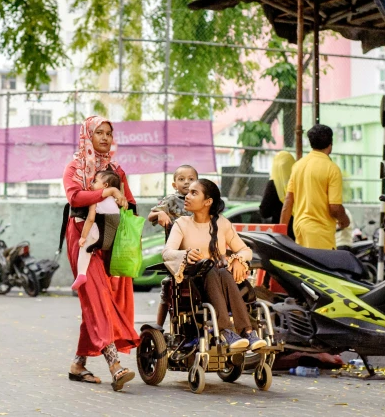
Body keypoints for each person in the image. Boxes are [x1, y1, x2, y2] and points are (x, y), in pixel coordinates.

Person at [63, 116, 138, 391]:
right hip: (83, 241)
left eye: (109, 133)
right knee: (97, 299)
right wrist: (106, 191)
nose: (105, 138)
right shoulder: (75, 167)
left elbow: (129, 201)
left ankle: (78, 365)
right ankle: (115, 366)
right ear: (87, 136)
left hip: (110, 241)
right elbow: (75, 197)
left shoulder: (117, 169)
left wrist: (123, 202)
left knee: (95, 303)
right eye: (99, 133)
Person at [162, 179, 264, 351]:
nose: (187, 196)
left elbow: (246, 250)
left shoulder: (222, 223)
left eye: (194, 193)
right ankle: (227, 331)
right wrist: (184, 254)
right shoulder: (182, 224)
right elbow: (167, 253)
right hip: (194, 284)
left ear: (208, 202)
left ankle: (247, 331)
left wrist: (239, 260)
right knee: (212, 268)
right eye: (188, 193)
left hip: (222, 281)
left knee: (223, 271)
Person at [280, 124, 350, 249]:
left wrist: (281, 232)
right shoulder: (332, 169)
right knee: (323, 267)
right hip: (320, 232)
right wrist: (344, 219)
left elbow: (288, 202)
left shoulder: (298, 166)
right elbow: (334, 207)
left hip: (300, 229)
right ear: (330, 144)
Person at [148, 164, 199, 326]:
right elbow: (151, 216)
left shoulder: (202, 200)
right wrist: (161, 213)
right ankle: (159, 326)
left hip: (199, 252)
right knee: (169, 288)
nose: (186, 182)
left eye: (191, 179)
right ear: (174, 184)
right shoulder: (171, 200)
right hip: (176, 254)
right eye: (181, 179)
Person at [72, 170, 122, 291]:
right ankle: (115, 277)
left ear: (105, 186)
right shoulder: (116, 202)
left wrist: (83, 237)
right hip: (112, 240)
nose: (91, 184)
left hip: (97, 237)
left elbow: (90, 219)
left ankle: (81, 274)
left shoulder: (95, 200)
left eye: (95, 181)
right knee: (115, 256)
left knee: (85, 249)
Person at [259, 151, 295, 239]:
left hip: (281, 237)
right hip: (299, 232)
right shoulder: (299, 182)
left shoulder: (272, 185)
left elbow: (264, 212)